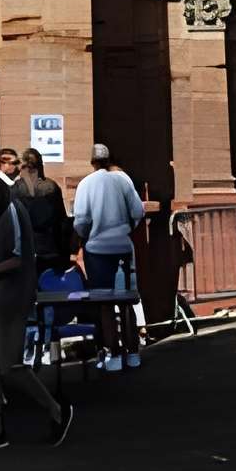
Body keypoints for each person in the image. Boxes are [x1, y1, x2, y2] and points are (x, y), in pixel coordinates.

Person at [0, 169, 73, 452]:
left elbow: (17, 260)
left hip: (11, 298)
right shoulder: (2, 213)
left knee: (10, 366)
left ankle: (58, 410)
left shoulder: (12, 211)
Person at [72, 142, 145, 372]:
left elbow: (81, 220)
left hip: (97, 249)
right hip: (123, 245)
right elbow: (138, 212)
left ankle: (113, 354)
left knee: (104, 303)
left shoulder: (86, 184)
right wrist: (126, 228)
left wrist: (88, 235)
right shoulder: (123, 180)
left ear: (92, 161)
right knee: (127, 300)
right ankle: (133, 353)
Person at [18, 146, 71, 273]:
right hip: (50, 251)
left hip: (24, 253)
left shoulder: (15, 189)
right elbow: (61, 222)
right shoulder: (51, 187)